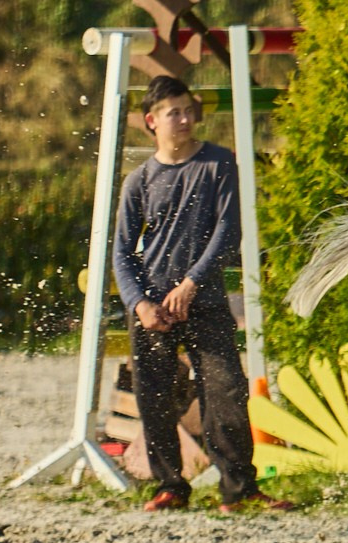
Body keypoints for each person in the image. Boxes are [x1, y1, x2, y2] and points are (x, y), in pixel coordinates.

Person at [111, 74, 279, 512]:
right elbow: (122, 254)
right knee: (155, 397)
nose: (185, 119)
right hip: (152, 310)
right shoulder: (139, 181)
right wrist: (140, 304)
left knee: (226, 393)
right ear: (152, 121)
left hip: (203, 303)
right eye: (174, 113)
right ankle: (170, 487)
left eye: (189, 110)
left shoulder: (219, 164)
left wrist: (192, 284)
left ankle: (239, 491)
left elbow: (228, 233)